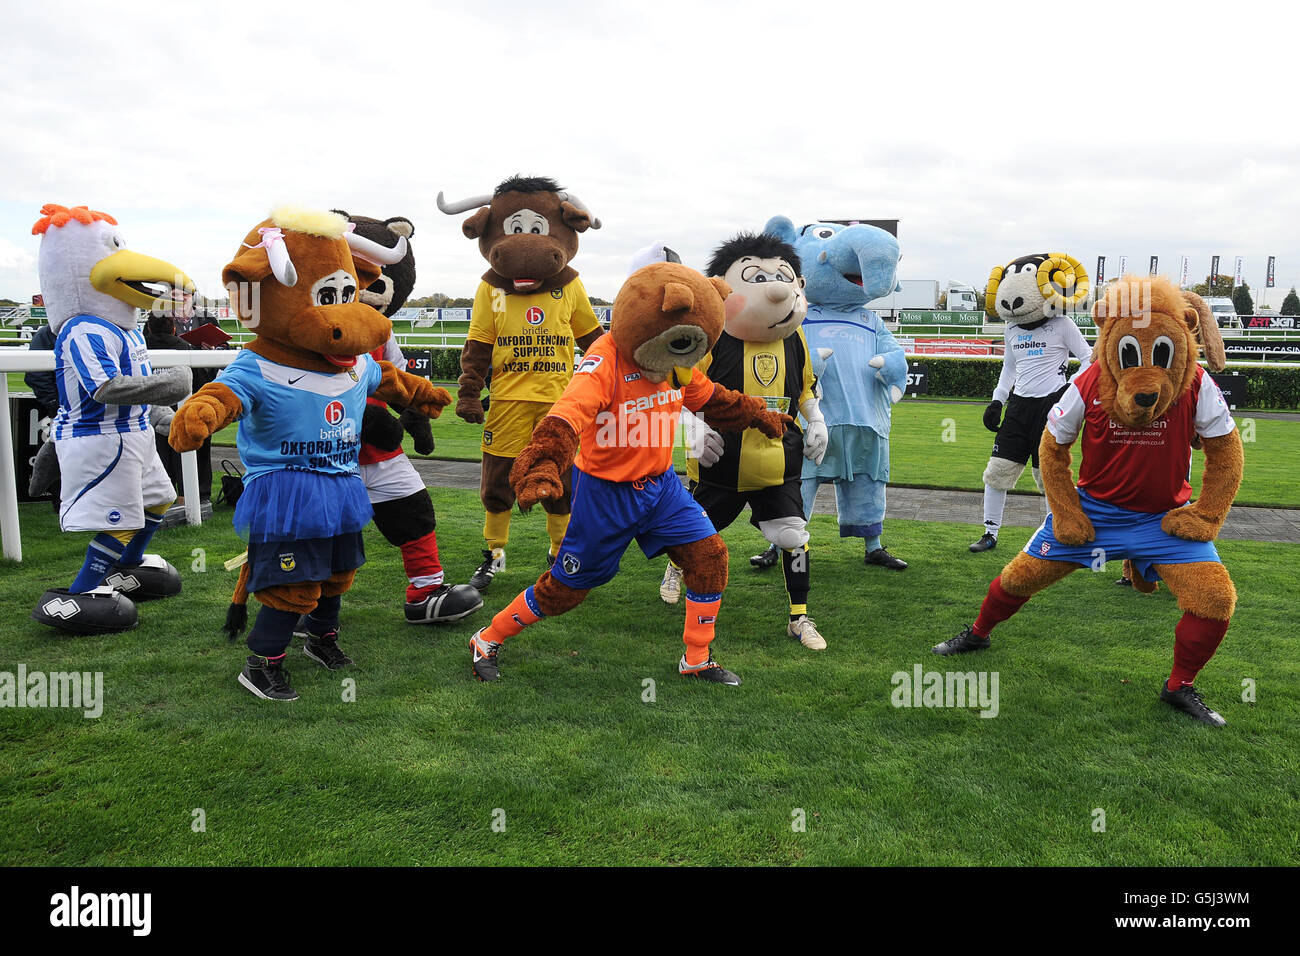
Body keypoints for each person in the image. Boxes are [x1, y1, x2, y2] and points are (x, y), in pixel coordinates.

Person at [144, 299, 215, 522]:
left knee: (158, 458)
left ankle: (161, 502)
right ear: (173, 327)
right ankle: (189, 500)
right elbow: (202, 380)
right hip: (180, 411)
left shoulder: (141, 348)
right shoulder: (184, 348)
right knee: (186, 458)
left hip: (151, 413)